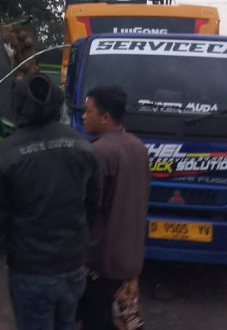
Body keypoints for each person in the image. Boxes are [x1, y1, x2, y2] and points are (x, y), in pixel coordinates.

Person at [0, 72, 101, 330]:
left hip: (31, 271)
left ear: (18, 106)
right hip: (73, 267)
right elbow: (93, 205)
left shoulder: (6, 154)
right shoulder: (83, 146)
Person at [79, 85, 150, 330]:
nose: (83, 116)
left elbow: (87, 209)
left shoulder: (97, 152)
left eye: (89, 111)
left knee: (96, 320)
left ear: (105, 117)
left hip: (101, 261)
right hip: (129, 259)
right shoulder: (139, 148)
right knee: (127, 321)